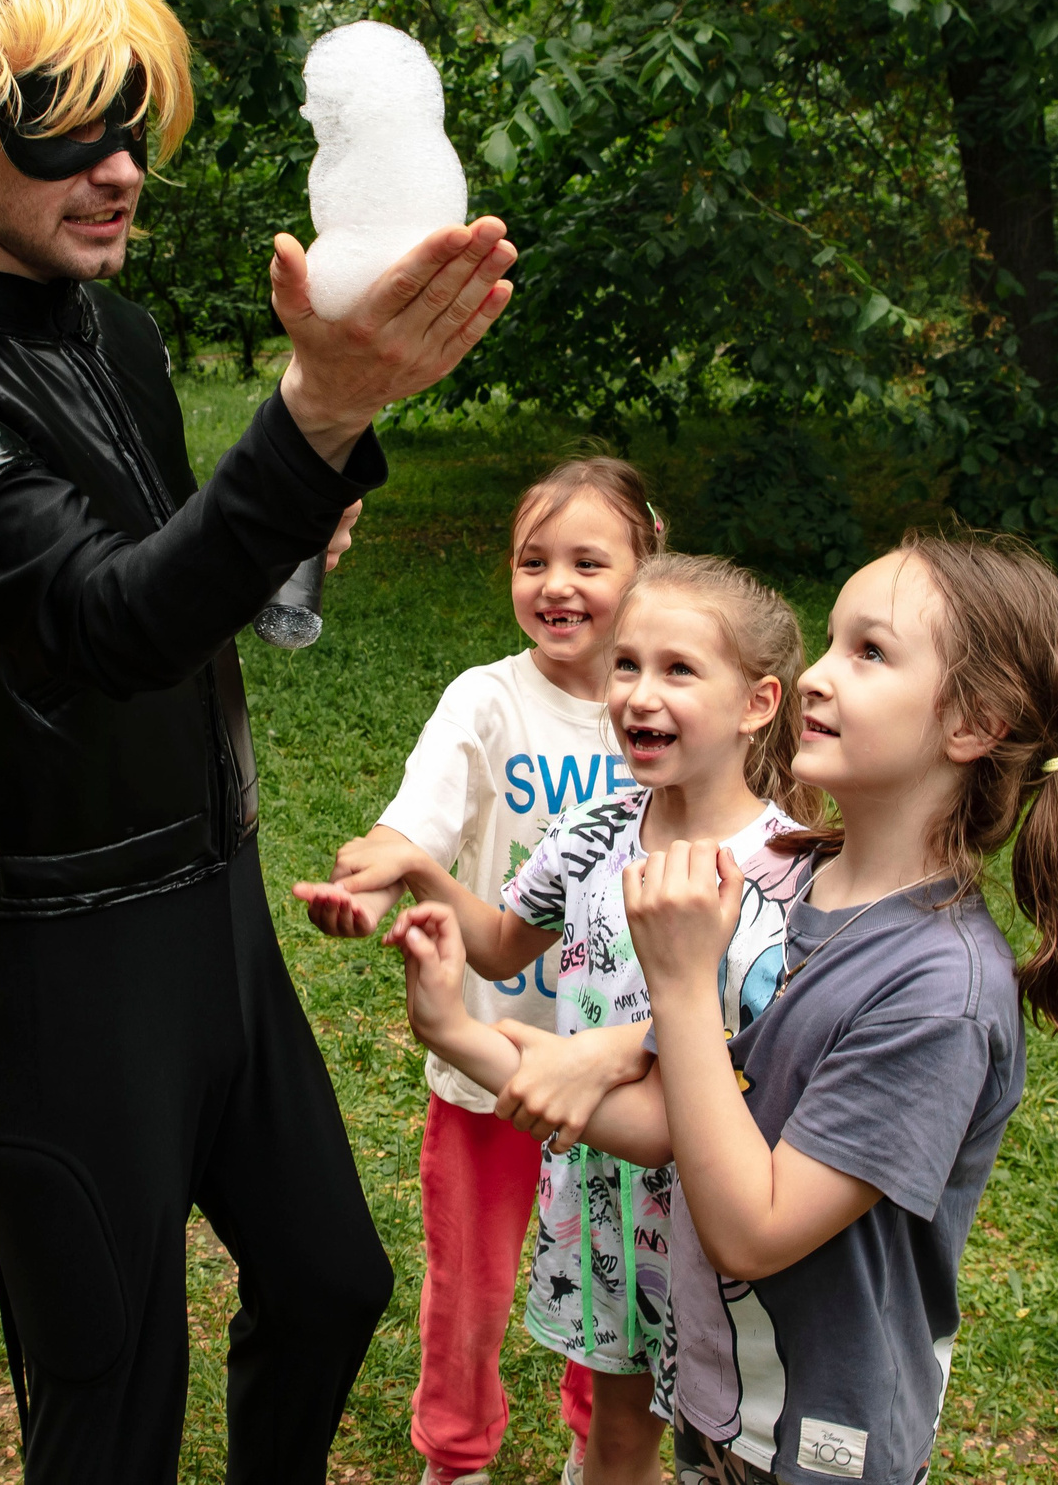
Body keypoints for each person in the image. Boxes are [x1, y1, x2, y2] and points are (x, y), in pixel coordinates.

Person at [0, 0, 516, 1484]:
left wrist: (305, 489)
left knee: (332, 1279)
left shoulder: (109, 333)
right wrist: (311, 414)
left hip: (216, 911)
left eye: (133, 130)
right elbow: (103, 625)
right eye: (65, 133)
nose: (117, 171)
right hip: (60, 961)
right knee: (113, 1390)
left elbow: (191, 579)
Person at [396, 532, 1058, 1485]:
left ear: (973, 721)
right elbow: (675, 1126)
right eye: (829, 641)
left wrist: (684, 987)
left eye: (868, 651)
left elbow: (753, 1224)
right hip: (715, 1387)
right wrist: (463, 1034)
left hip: (820, 1440)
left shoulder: (938, 994)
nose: (816, 674)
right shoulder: (804, 891)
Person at [315, 554, 818, 1485]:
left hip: (722, 1205)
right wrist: (431, 890)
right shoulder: (593, 828)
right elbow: (504, 944)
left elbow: (770, 1046)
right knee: (619, 1434)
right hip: (606, 1201)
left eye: (678, 670)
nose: (637, 693)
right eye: (626, 666)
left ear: (758, 702)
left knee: (731, 1445)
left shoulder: (790, 868)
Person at [300, 457, 663, 1485]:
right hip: (488, 1068)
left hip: (623, 1083)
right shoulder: (487, 703)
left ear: (647, 562)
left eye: (588, 561)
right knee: (472, 1292)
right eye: (531, 560)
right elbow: (410, 826)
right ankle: (454, 1460)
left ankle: (601, 1450)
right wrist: (368, 889)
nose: (556, 584)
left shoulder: (666, 707)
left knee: (619, 1283)